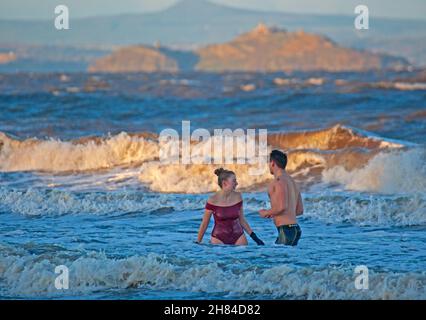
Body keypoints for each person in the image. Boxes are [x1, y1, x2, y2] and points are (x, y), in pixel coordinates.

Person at [196, 168, 264, 245]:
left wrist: (255, 238)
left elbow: (242, 220)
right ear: (224, 183)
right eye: (234, 181)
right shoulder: (212, 200)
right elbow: (205, 223)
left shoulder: (238, 197)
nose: (237, 183)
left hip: (239, 237)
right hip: (218, 238)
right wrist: (198, 241)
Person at [259, 150, 303, 246]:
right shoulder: (293, 182)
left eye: (269, 163)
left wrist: (266, 212)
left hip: (286, 230)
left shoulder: (278, 181)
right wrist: (275, 212)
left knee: (274, 260)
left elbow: (282, 207)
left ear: (273, 163)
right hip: (295, 229)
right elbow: (299, 210)